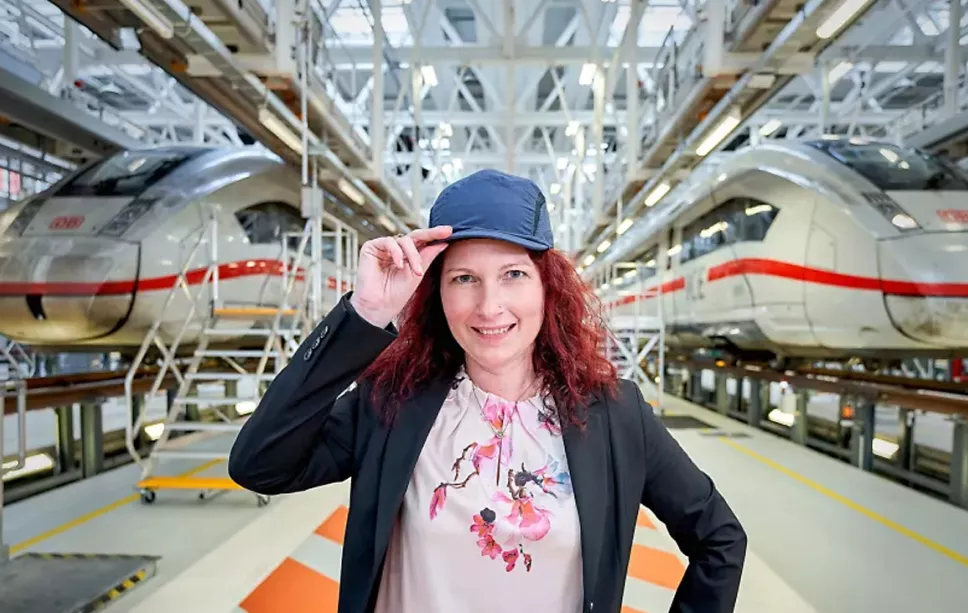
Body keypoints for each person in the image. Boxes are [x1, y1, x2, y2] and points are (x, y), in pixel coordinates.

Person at [228, 169, 747, 613]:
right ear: (437, 295)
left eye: (513, 274)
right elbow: (261, 465)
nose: (489, 306)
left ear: (548, 289)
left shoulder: (613, 414)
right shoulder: (392, 403)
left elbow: (719, 538)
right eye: (464, 279)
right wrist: (365, 316)